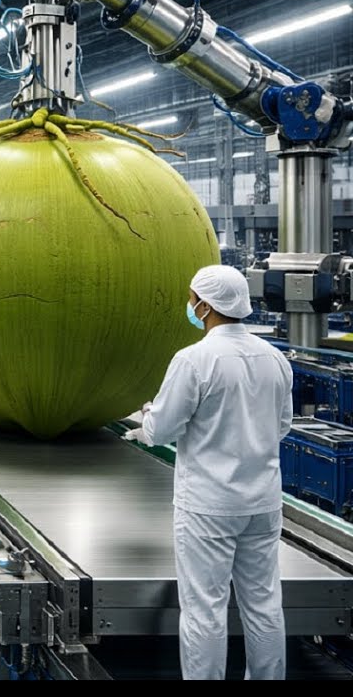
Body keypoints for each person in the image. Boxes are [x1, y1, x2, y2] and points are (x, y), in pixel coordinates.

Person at [124, 264, 292, 680]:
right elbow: (283, 424)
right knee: (264, 605)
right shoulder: (275, 358)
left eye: (191, 297)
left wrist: (144, 427)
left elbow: (162, 428)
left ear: (205, 305)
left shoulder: (194, 359)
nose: (189, 304)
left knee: (205, 610)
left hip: (208, 507)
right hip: (263, 502)